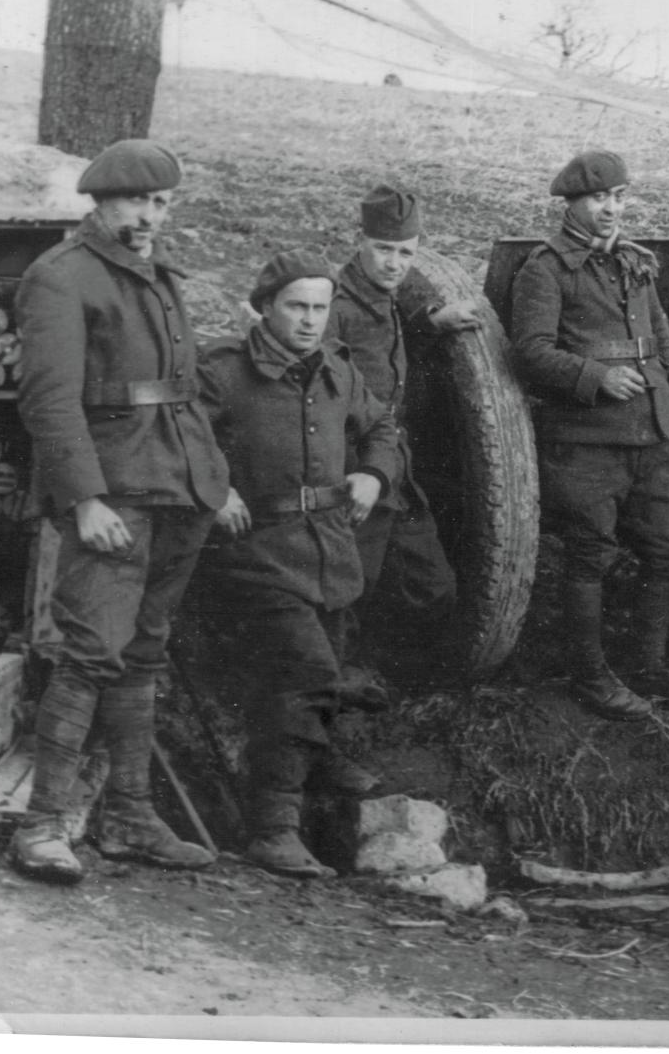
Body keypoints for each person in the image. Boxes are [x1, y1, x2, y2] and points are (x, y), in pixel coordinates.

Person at [11, 139, 229, 884]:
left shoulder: (158, 278)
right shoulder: (61, 278)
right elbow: (48, 399)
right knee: (91, 650)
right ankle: (42, 824)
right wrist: (83, 498)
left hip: (179, 488)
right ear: (101, 200)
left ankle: (131, 816)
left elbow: (185, 388)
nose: (151, 216)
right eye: (139, 200)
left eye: (162, 203)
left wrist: (213, 478)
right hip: (115, 495)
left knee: (144, 649)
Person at [197, 250, 401, 878]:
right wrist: (214, 489)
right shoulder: (224, 371)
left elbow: (382, 428)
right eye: (297, 307)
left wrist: (372, 473)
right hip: (253, 550)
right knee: (309, 671)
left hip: (328, 549)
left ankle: (321, 765)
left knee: (329, 668)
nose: (311, 321)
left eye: (320, 308)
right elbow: (179, 437)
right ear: (265, 307)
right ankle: (273, 829)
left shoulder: (337, 369)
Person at [508, 150, 669, 720]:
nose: (611, 209)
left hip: (651, 436)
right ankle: (591, 677)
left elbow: (662, 340)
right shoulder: (545, 269)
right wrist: (594, 376)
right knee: (589, 557)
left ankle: (649, 665)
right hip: (586, 441)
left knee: (667, 551)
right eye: (599, 198)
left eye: (619, 197)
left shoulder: (634, 263)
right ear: (571, 203)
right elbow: (529, 351)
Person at [327, 184, 480, 698]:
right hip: (351, 468)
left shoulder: (385, 298)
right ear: (359, 241)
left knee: (432, 585)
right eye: (384, 249)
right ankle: (336, 691)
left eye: (405, 253)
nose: (395, 263)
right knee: (348, 588)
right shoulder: (333, 306)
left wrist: (431, 321)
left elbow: (390, 343)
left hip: (395, 467)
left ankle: (385, 672)